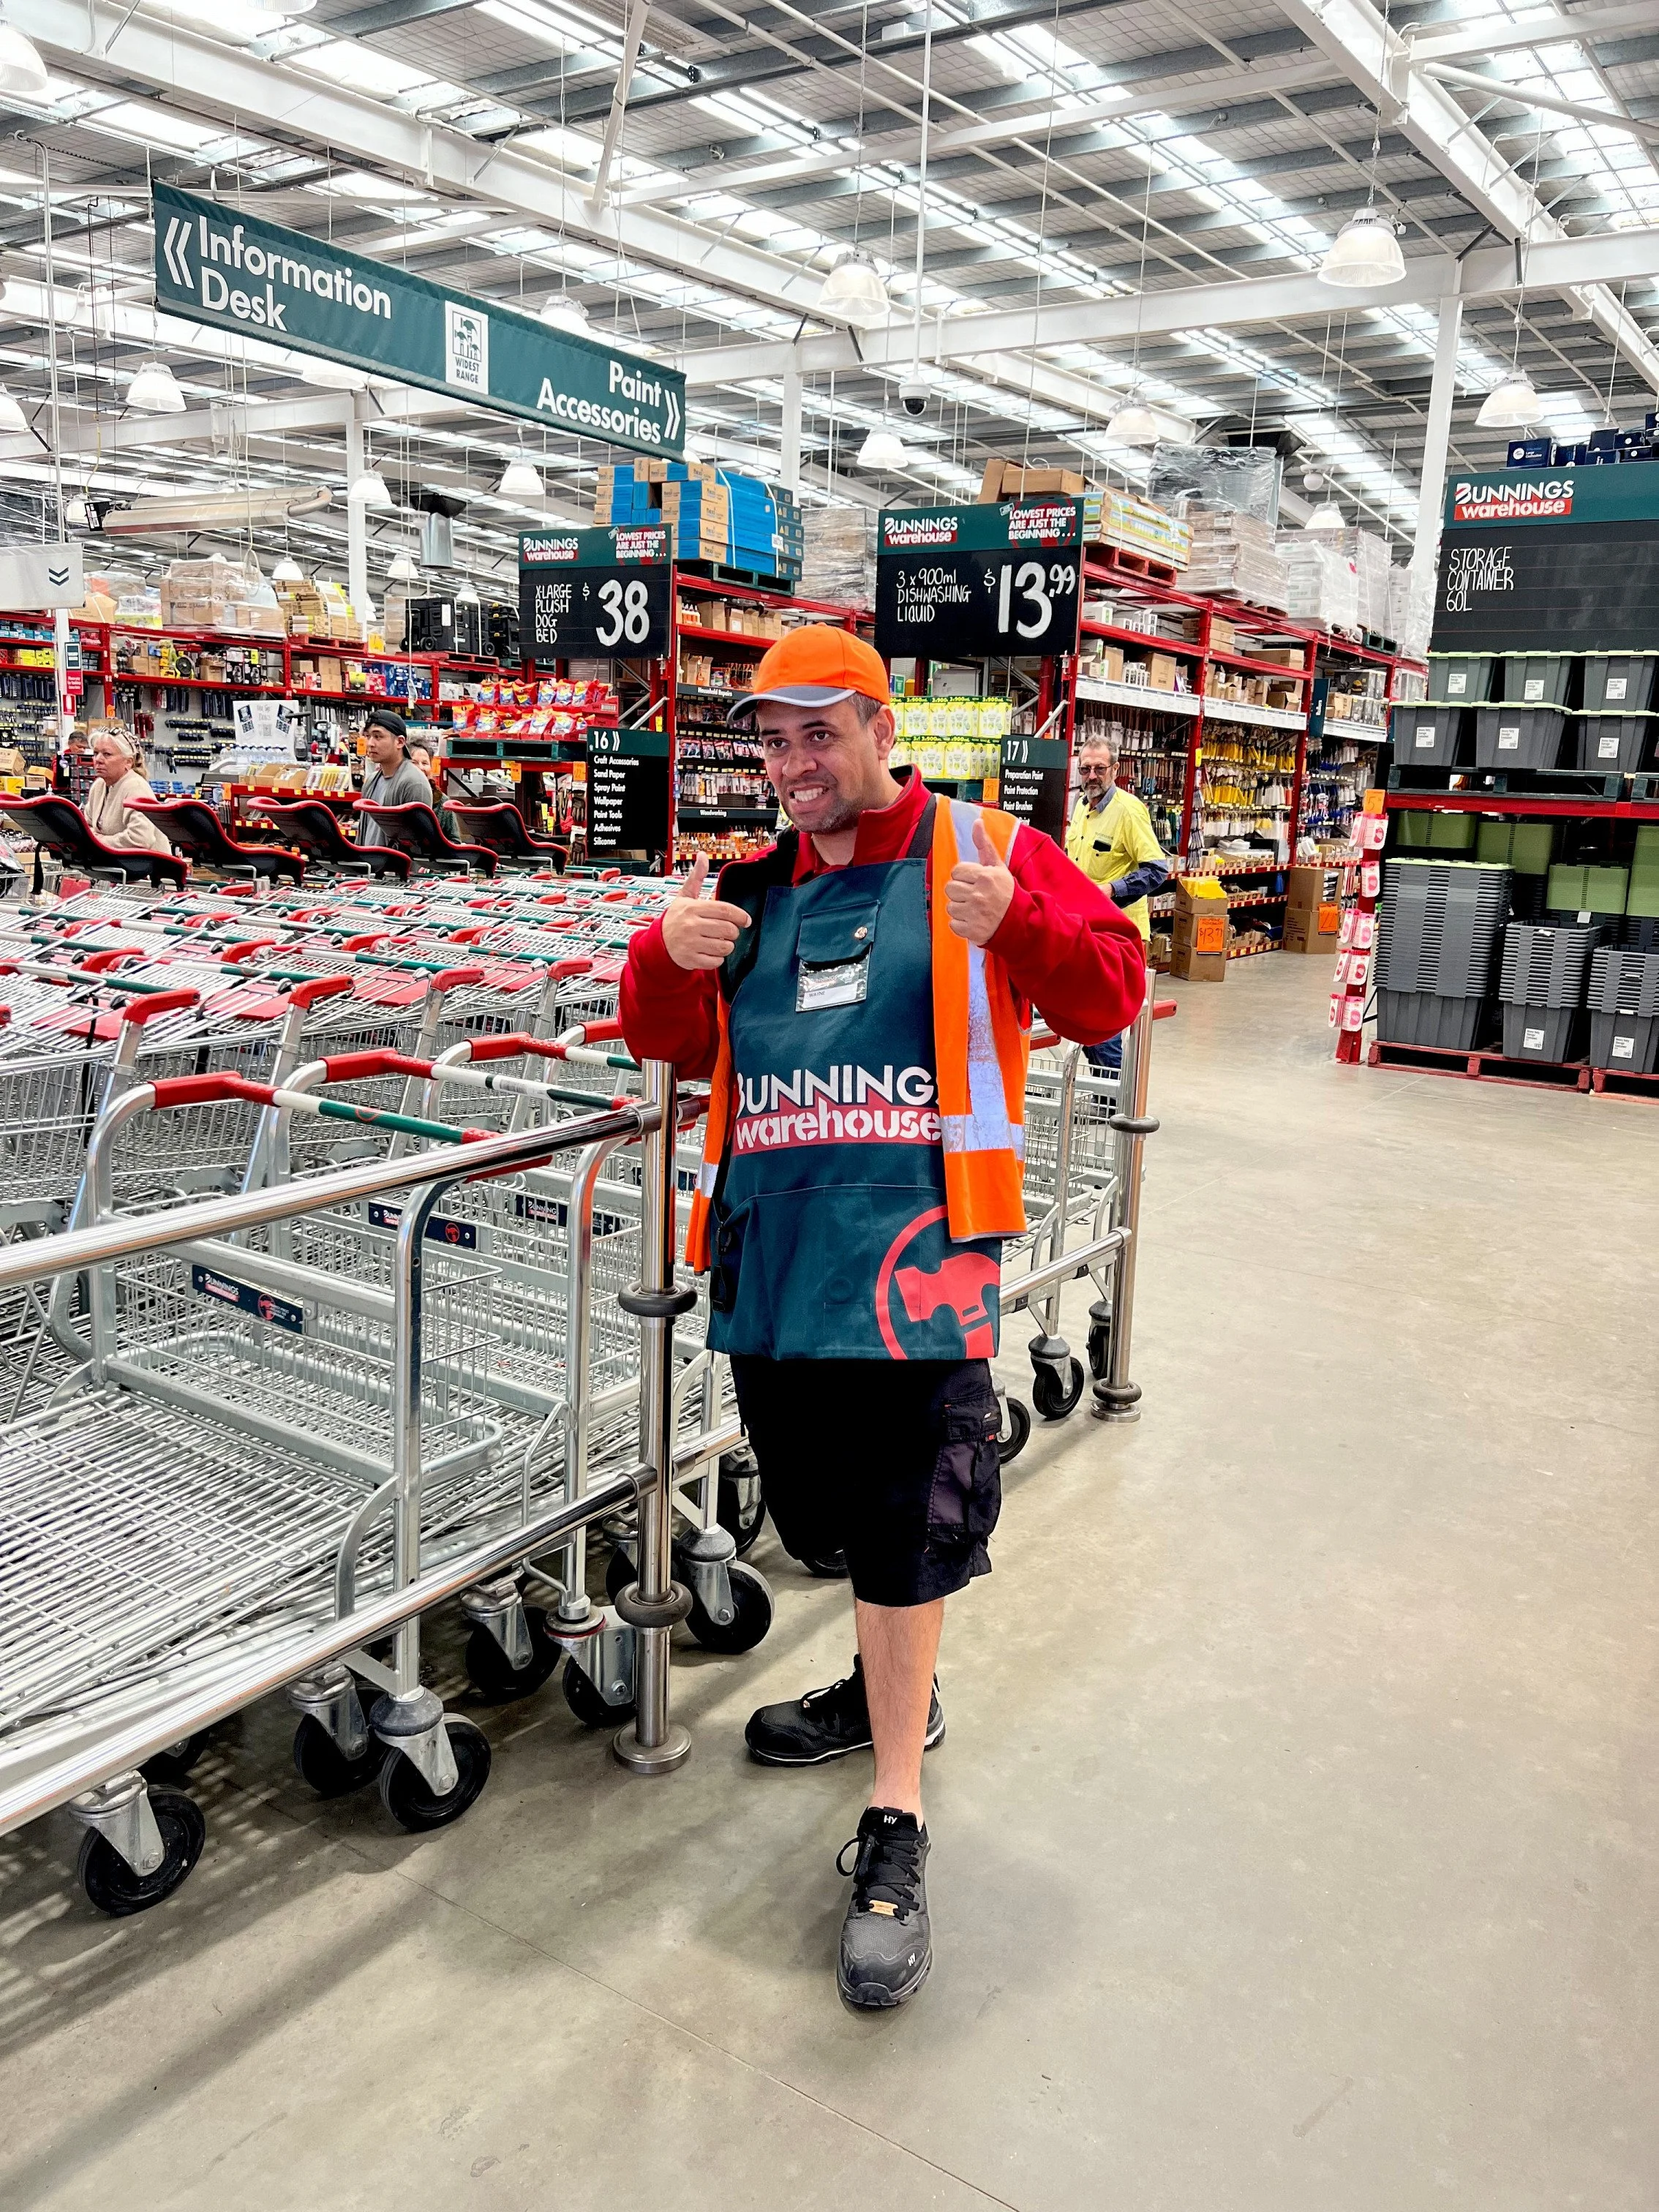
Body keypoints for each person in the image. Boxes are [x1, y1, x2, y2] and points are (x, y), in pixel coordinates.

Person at [619, 626, 1145, 2011]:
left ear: (875, 725)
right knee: (819, 1525)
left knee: (908, 1530)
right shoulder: (746, 882)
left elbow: (1111, 992)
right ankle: (878, 1687)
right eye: (771, 742)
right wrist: (664, 958)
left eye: (816, 735)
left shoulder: (985, 846)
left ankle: (896, 1816)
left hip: (919, 1261)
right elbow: (662, 1042)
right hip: (775, 1260)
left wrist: (1016, 923)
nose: (792, 765)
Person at [1064, 729, 1170, 1071]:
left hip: (1120, 935)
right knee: (1082, 1015)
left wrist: (1110, 891)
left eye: (1099, 768)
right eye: (1085, 769)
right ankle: (1105, 1094)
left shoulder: (1129, 811)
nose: (1091, 776)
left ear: (1114, 769)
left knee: (1102, 1017)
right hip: (1085, 929)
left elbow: (1157, 870)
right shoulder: (1081, 808)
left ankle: (1113, 1098)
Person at [82, 729, 170, 855]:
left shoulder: (136, 787)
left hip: (149, 869)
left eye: (107, 754)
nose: (98, 759)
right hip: (115, 867)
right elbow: (87, 828)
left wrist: (100, 841)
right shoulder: (99, 786)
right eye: (96, 753)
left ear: (128, 762)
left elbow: (141, 838)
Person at [356, 710, 433, 847]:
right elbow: (363, 833)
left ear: (400, 742)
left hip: (395, 868)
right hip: (370, 866)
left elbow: (417, 847)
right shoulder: (372, 781)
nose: (370, 744)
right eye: (368, 737)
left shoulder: (414, 783)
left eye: (378, 737)